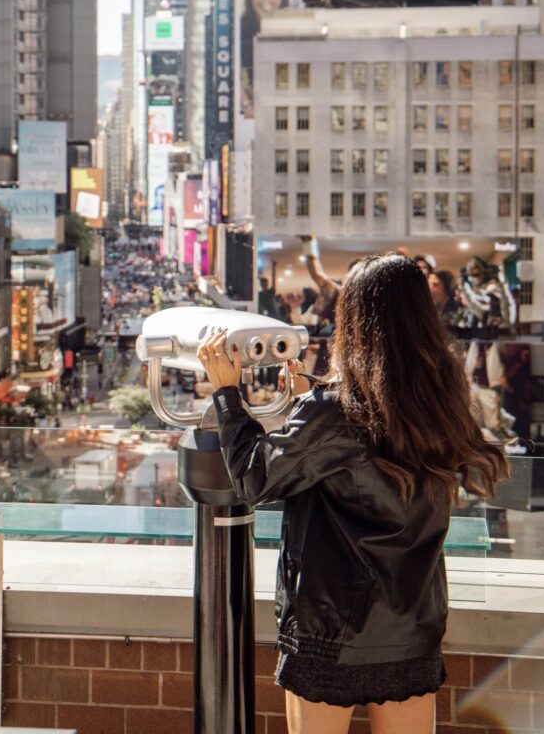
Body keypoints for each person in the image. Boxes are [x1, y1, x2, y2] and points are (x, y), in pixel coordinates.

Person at [198, 254, 507, 734]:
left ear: (353, 321)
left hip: (329, 632)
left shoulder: (332, 412)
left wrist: (227, 397)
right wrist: (308, 398)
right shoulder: (441, 406)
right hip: (412, 628)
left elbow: (255, 480)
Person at [240, 0, 289, 117]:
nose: (267, 0)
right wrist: (247, 106)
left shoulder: (290, 29)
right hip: (249, 112)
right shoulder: (239, 30)